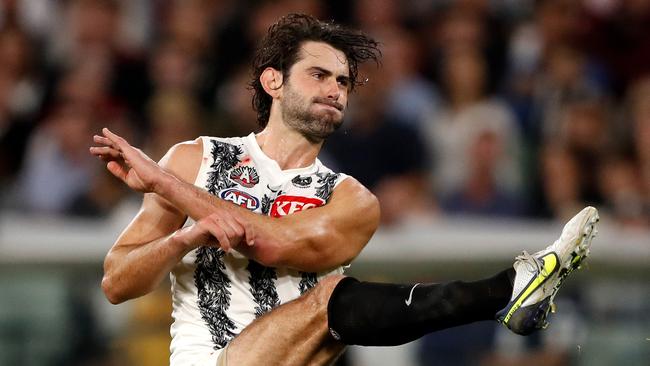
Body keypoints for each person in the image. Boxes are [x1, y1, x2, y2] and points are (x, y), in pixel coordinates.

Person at [90, 14, 600, 366]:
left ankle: (508, 292)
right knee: (328, 296)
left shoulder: (351, 199)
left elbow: (269, 241)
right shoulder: (194, 158)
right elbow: (117, 282)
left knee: (327, 300)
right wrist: (180, 239)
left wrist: (165, 185)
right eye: (318, 75)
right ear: (273, 82)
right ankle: (505, 291)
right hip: (213, 359)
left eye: (343, 82)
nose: (335, 89)